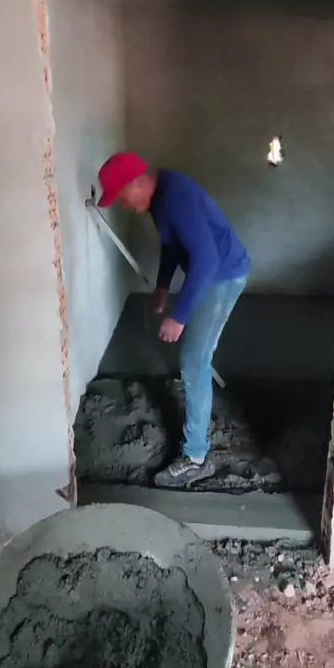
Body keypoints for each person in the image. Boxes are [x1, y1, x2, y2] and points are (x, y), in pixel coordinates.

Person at [97, 152, 250, 487]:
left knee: (194, 360)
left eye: (122, 196)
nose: (123, 205)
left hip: (222, 276)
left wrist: (179, 316)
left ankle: (196, 459)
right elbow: (172, 245)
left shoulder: (176, 197)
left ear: (137, 183)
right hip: (212, 272)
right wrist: (163, 287)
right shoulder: (161, 195)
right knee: (196, 357)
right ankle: (198, 406)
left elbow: (206, 259)